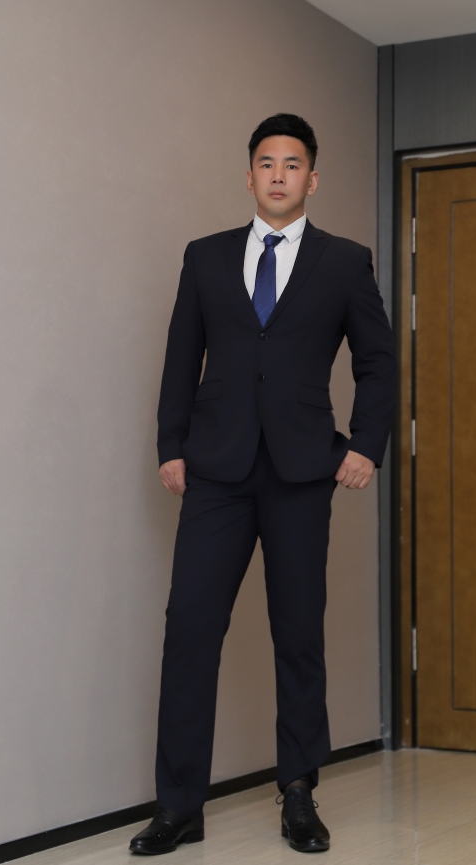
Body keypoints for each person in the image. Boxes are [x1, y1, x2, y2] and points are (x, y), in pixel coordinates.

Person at [129, 113, 396, 856]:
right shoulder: (206, 256)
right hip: (216, 469)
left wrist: (366, 445)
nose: (279, 175)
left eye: (293, 164)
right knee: (189, 631)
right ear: (249, 176)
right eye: (267, 163)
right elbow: (181, 355)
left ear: (313, 178)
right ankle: (178, 805)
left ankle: (299, 793)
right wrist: (170, 445)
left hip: (302, 471)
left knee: (298, 632)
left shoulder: (345, 262)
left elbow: (378, 362)